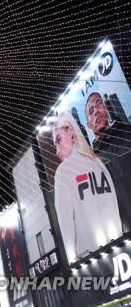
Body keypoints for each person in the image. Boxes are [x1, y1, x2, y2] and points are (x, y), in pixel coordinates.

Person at [53, 112, 121, 263]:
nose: (57, 150)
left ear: (70, 131)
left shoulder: (63, 171)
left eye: (58, 140)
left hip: (89, 260)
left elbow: (66, 226)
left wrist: (72, 261)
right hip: (118, 248)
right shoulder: (98, 163)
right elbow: (114, 206)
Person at [85, 92, 131, 231]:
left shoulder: (128, 133)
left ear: (105, 107)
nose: (96, 112)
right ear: (88, 124)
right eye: (91, 111)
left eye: (98, 103)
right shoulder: (92, 162)